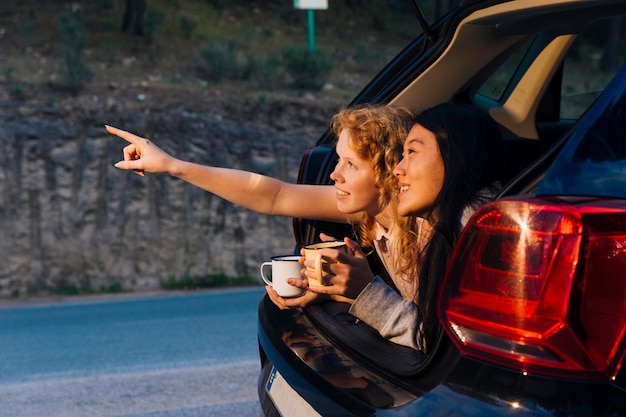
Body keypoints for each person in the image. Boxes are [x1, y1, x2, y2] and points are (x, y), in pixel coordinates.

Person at [106, 104, 418, 307]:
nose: (334, 174)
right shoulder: (372, 211)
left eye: (351, 164)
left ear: (389, 172)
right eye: (338, 159)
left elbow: (428, 336)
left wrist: (365, 293)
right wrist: (173, 165)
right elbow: (274, 196)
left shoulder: (428, 230)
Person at [306, 103, 508, 352]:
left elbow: (438, 345)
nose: (398, 169)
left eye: (412, 152)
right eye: (402, 154)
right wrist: (342, 289)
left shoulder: (481, 231)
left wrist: (367, 292)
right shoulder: (455, 224)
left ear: (453, 155)